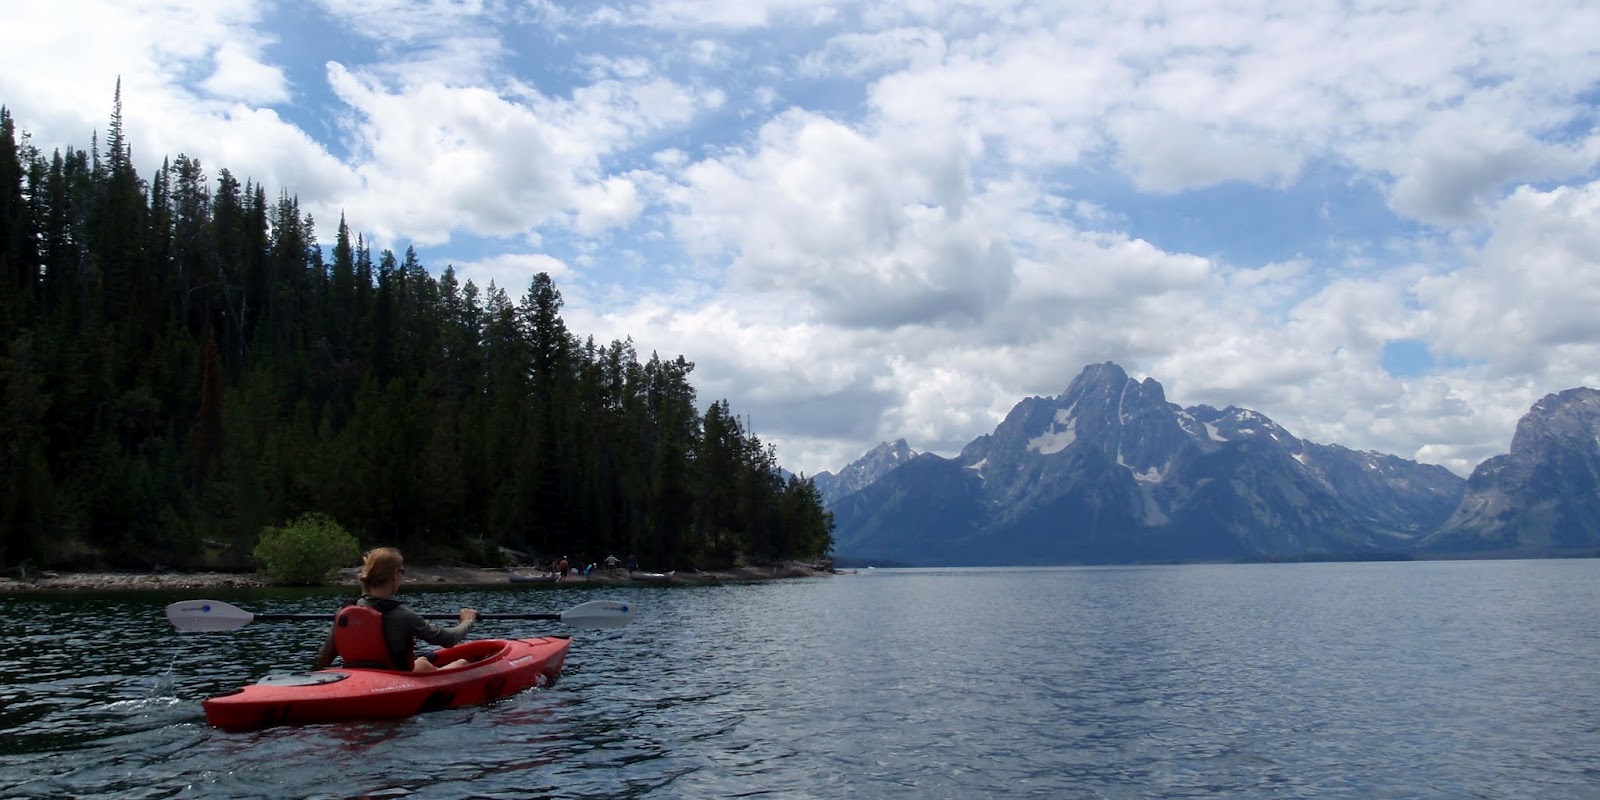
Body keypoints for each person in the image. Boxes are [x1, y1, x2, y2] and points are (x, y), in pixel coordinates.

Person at [313, 547, 479, 672]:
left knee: (421, 662)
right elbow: (447, 639)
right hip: (395, 679)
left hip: (358, 677)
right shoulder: (402, 614)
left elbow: (324, 659)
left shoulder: (345, 611)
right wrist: (467, 622)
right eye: (402, 571)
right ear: (395, 574)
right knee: (463, 663)